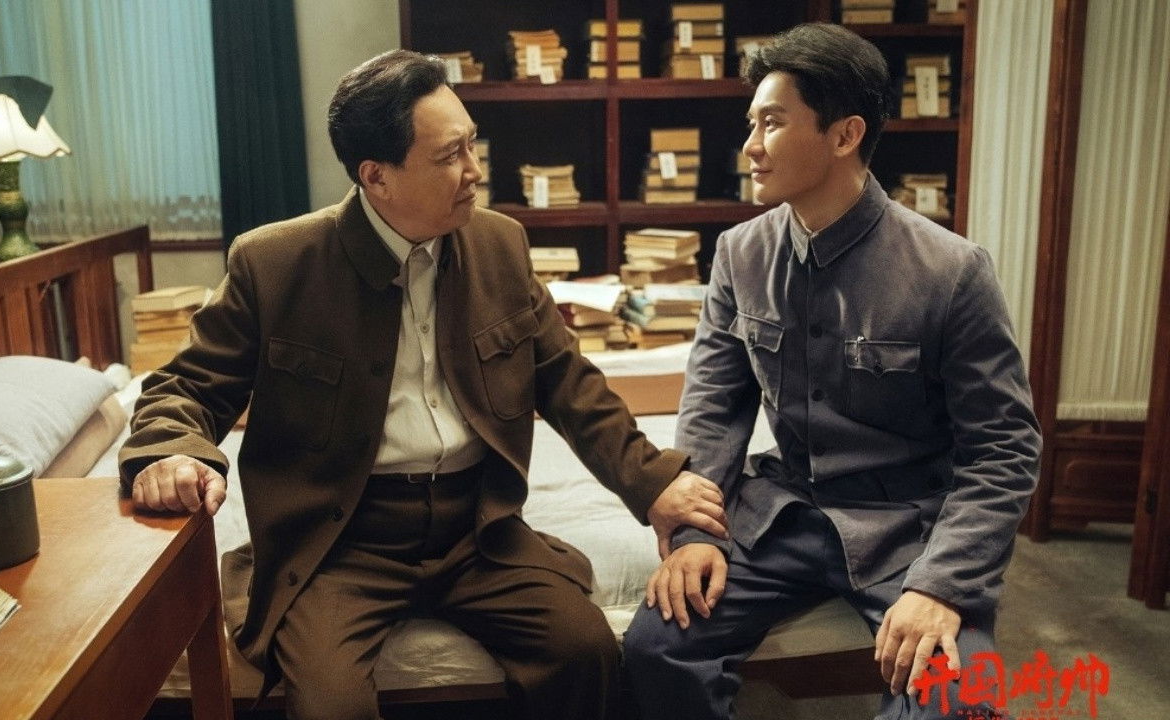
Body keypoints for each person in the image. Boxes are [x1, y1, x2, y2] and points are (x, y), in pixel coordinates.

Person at [118, 49, 727, 720]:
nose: (474, 170)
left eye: (471, 144)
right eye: (449, 156)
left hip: (478, 530)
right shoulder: (276, 262)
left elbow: (568, 382)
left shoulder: (499, 245)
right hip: (340, 541)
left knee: (585, 652)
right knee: (331, 707)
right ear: (376, 176)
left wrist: (652, 482)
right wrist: (169, 453)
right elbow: (186, 388)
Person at [623, 23, 1041, 720]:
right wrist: (695, 536)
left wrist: (940, 585)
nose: (751, 146)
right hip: (783, 516)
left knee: (959, 700)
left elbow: (1005, 450)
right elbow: (713, 408)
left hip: (910, 528)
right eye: (752, 123)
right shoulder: (740, 254)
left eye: (772, 123)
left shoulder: (951, 271)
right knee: (656, 647)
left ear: (845, 135)